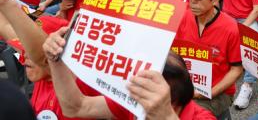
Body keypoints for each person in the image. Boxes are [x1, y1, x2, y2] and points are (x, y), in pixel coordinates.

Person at [43, 28, 216, 120]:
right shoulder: (135, 101)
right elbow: (76, 107)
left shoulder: (201, 118)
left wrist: (165, 117)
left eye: (151, 87)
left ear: (173, 101)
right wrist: (55, 61)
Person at [175, 0, 242, 117]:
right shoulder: (185, 17)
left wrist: (209, 93)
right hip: (187, 85)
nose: (192, 2)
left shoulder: (231, 28)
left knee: (190, 114)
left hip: (218, 92)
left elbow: (237, 69)